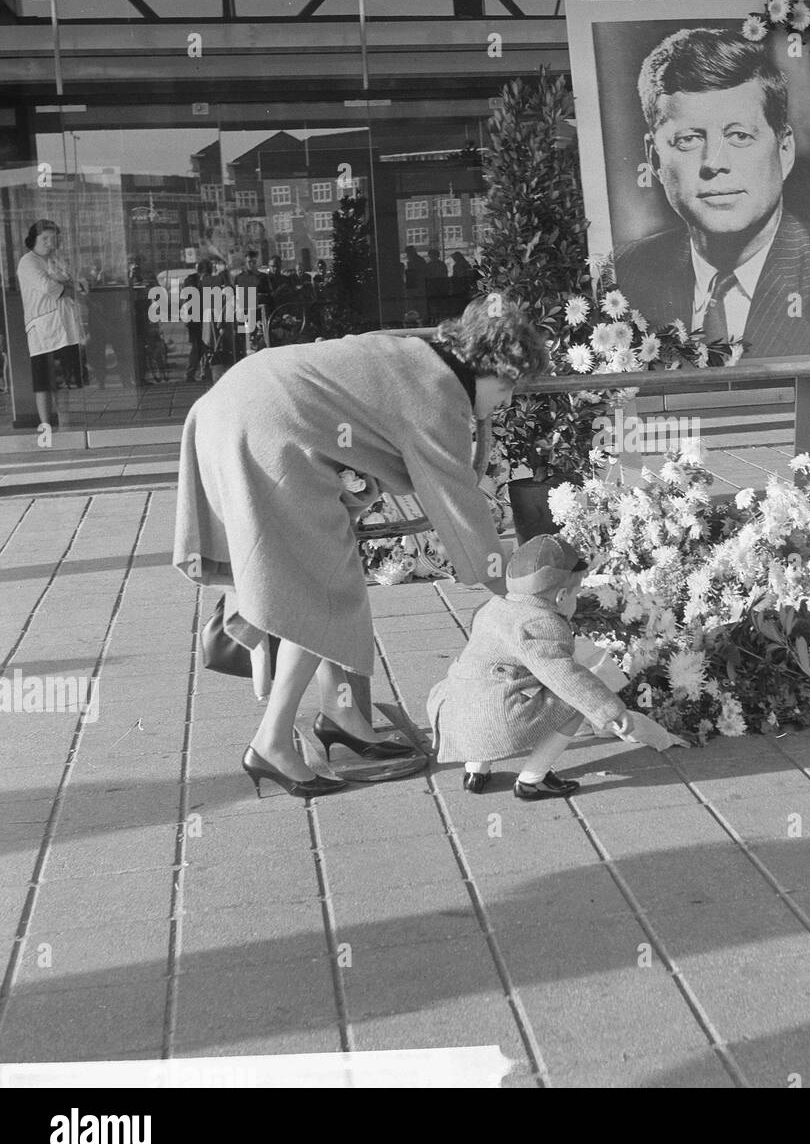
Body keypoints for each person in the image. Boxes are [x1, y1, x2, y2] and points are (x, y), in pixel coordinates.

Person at [172, 296, 549, 799]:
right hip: (263, 432)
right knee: (318, 591)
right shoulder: (438, 393)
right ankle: (271, 742)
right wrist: (514, 590)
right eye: (507, 388)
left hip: (237, 407)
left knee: (329, 575)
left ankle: (343, 714)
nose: (505, 402)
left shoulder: (418, 354)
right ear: (490, 367)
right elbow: (459, 505)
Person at [612, 27, 810, 358]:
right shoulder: (622, 274)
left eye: (739, 136)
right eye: (689, 139)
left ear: (785, 149)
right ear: (654, 158)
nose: (714, 163)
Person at [427, 534, 685, 799]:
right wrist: (611, 711)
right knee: (573, 702)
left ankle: (476, 772)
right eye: (577, 593)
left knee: (487, 688)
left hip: (452, 710)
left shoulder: (491, 607)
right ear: (562, 597)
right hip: (493, 718)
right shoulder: (542, 624)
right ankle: (532, 780)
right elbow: (566, 678)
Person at [16, 220, 83, 429]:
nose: (49, 242)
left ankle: (64, 420)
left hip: (65, 326)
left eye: (53, 238)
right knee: (43, 381)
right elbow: (48, 287)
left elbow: (78, 283)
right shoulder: (28, 262)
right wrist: (67, 285)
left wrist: (68, 284)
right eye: (44, 238)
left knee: (63, 380)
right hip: (42, 330)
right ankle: (45, 424)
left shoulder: (57, 259)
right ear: (33, 239)